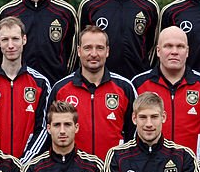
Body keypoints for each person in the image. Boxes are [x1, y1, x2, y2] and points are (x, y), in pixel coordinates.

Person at [43, 25, 136, 159]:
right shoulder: (60, 89)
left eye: (99, 48)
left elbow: (134, 132)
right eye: (88, 48)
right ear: (79, 51)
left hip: (113, 171)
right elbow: (49, 133)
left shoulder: (125, 88)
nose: (94, 54)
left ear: (107, 51)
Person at [0, 17, 50, 160]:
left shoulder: (40, 83)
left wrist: (26, 161)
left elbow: (43, 129)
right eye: (5, 40)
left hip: (27, 166)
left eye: (15, 39)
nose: (10, 45)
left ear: (24, 40)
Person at [132, 26, 200, 154]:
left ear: (187, 52)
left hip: (191, 168)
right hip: (147, 166)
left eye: (180, 46)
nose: (174, 51)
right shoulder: (138, 84)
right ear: (158, 51)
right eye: (168, 46)